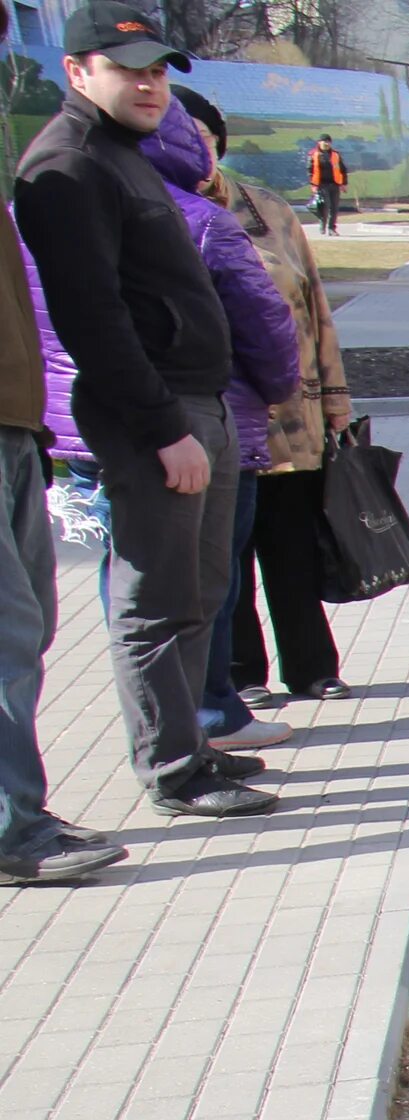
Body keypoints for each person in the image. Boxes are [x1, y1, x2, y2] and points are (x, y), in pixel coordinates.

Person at [17, 1, 275, 818]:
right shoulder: (69, 164)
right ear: (77, 72)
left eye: (159, 70)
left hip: (203, 403)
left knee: (198, 592)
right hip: (155, 417)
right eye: (129, 70)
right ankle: (171, 769)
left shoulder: (128, 157)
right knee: (155, 601)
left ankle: (193, 743)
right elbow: (92, 316)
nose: (149, 84)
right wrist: (164, 428)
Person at [137, 92, 299, 754]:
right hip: (207, 417)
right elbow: (267, 328)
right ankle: (203, 718)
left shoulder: (55, 194)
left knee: (146, 592)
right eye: (192, 135)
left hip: (106, 421)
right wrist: (280, 386)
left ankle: (193, 720)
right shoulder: (204, 220)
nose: (204, 149)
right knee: (203, 582)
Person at [196, 87, 355, 703]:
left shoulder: (269, 209)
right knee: (226, 553)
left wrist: (335, 402)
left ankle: (312, 666)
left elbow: (315, 306)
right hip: (219, 418)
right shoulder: (161, 211)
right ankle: (240, 674)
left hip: (293, 415)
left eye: (205, 137)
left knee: (291, 543)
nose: (196, 148)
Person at [0, 187, 122, 885]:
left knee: (34, 626)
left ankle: (18, 807)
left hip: (19, 426)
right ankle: (13, 826)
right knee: (8, 637)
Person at [307, 133, 344, 234]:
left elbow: (342, 169)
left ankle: (332, 228)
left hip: (334, 184)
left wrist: (343, 183)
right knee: (325, 206)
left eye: (328, 142)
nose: (326, 143)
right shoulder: (313, 154)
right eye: (324, 141)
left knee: (334, 207)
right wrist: (313, 185)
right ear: (319, 142)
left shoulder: (336, 154)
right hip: (321, 185)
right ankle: (322, 225)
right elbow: (310, 170)